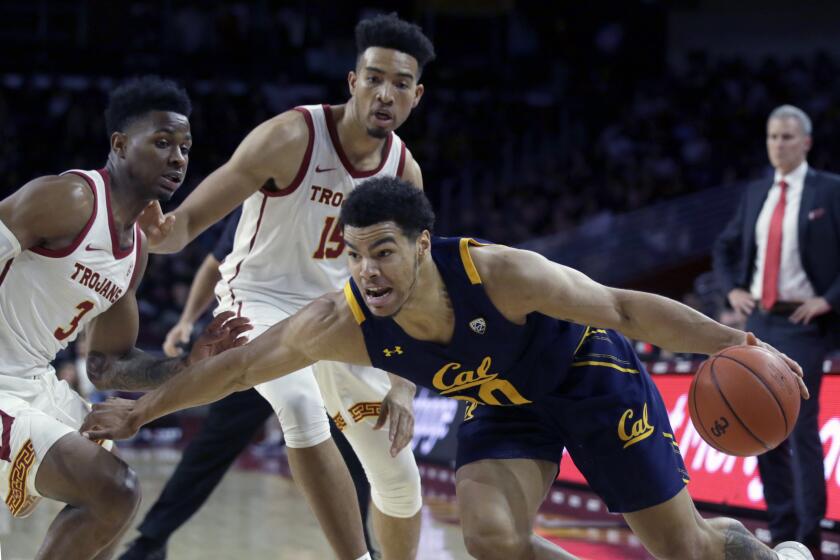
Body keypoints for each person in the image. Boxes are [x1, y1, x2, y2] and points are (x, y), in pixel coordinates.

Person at [85, 177, 815, 560]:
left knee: (683, 548)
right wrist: (141, 411)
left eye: (383, 251)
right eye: (356, 253)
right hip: (502, 401)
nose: (366, 269)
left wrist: (731, 344)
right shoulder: (343, 318)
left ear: (422, 244)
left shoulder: (500, 274)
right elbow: (241, 366)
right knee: (490, 538)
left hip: (586, 378)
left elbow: (622, 308)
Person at [139, 13, 435, 560]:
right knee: (298, 404)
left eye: (399, 84)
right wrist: (156, 233)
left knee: (398, 474)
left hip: (339, 317)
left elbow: (408, 289)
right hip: (259, 301)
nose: (384, 94)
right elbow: (183, 228)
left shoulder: (404, 173)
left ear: (416, 96)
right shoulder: (290, 137)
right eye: (373, 78)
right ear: (352, 82)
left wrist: (403, 384)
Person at [0, 76, 248, 560]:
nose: (177, 158)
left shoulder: (134, 252)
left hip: (33, 381)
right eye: (161, 142)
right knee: (114, 490)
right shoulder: (67, 199)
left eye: (185, 147)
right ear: (119, 144)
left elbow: (107, 365)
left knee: (112, 510)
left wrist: (186, 363)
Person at [121, 209, 378, 559]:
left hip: (322, 337)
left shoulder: (351, 202)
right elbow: (216, 262)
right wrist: (185, 321)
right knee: (213, 446)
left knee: (350, 446)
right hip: (261, 337)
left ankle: (362, 547)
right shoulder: (266, 197)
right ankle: (150, 542)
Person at [713, 104, 840, 558]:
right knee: (763, 429)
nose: (778, 144)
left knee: (799, 426)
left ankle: (808, 538)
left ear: (805, 142)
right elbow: (725, 247)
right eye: (772, 137)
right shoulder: (756, 193)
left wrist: (829, 298)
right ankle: (782, 531)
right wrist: (732, 291)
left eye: (787, 137)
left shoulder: (830, 189)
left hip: (804, 325)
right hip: (760, 322)